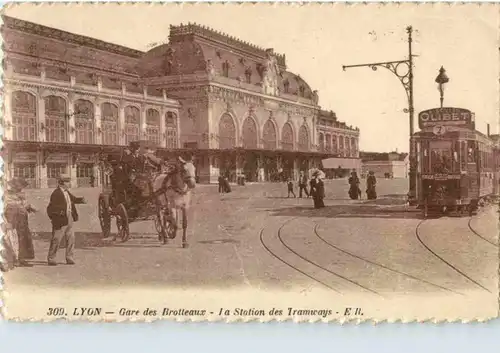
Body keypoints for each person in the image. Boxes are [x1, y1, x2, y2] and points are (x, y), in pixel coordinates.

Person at [46, 174, 86, 266]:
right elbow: (51, 208)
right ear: (61, 183)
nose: (69, 183)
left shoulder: (67, 192)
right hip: (60, 220)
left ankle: (69, 257)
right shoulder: (56, 193)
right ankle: (51, 258)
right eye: (67, 182)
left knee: (71, 238)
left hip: (69, 218)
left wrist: (81, 200)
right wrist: (57, 216)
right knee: (56, 239)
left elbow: (73, 199)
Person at [5, 177, 37, 267]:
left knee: (23, 239)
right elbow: (6, 207)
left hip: (22, 220)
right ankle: (14, 260)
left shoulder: (21, 195)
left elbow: (25, 204)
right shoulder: (7, 195)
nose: (21, 188)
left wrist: (30, 208)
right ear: (14, 187)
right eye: (19, 187)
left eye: (21, 187)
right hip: (12, 220)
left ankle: (22, 259)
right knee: (13, 239)